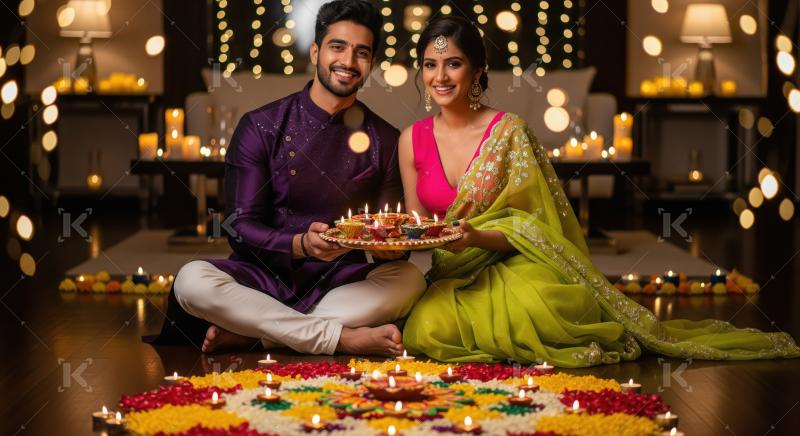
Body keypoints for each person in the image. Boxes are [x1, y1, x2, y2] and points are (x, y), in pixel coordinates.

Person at [400, 16, 800, 367]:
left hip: (510, 261)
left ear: (477, 70)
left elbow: (535, 224)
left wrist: (476, 237)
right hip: (449, 270)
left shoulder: (509, 132)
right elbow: (416, 228)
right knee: (428, 327)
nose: (440, 77)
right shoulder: (411, 140)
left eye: (453, 63)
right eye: (430, 65)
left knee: (548, 307)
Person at [153, 0, 425, 357]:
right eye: (337, 47)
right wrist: (300, 245)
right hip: (262, 278)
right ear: (315, 52)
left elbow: (389, 241)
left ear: (371, 63)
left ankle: (261, 334)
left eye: (361, 52)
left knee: (410, 280)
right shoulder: (261, 126)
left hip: (340, 282)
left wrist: (388, 248)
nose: (348, 61)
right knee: (192, 281)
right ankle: (340, 339)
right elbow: (238, 227)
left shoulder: (386, 139)